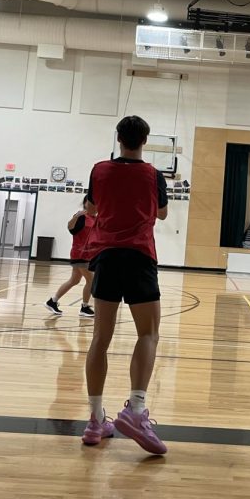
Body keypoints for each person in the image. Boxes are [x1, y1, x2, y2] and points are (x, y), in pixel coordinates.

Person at [82, 115, 169, 455]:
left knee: (100, 339)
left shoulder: (99, 170)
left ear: (118, 138)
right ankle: (135, 410)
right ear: (145, 140)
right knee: (148, 334)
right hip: (139, 257)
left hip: (106, 257)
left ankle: (94, 420)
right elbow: (161, 214)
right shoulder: (153, 175)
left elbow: (91, 208)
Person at [45, 201, 96, 318]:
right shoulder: (81, 216)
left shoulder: (95, 219)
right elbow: (70, 227)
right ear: (86, 204)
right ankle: (84, 307)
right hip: (80, 254)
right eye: (95, 204)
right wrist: (76, 216)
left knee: (74, 280)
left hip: (88, 254)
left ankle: (52, 301)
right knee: (91, 280)